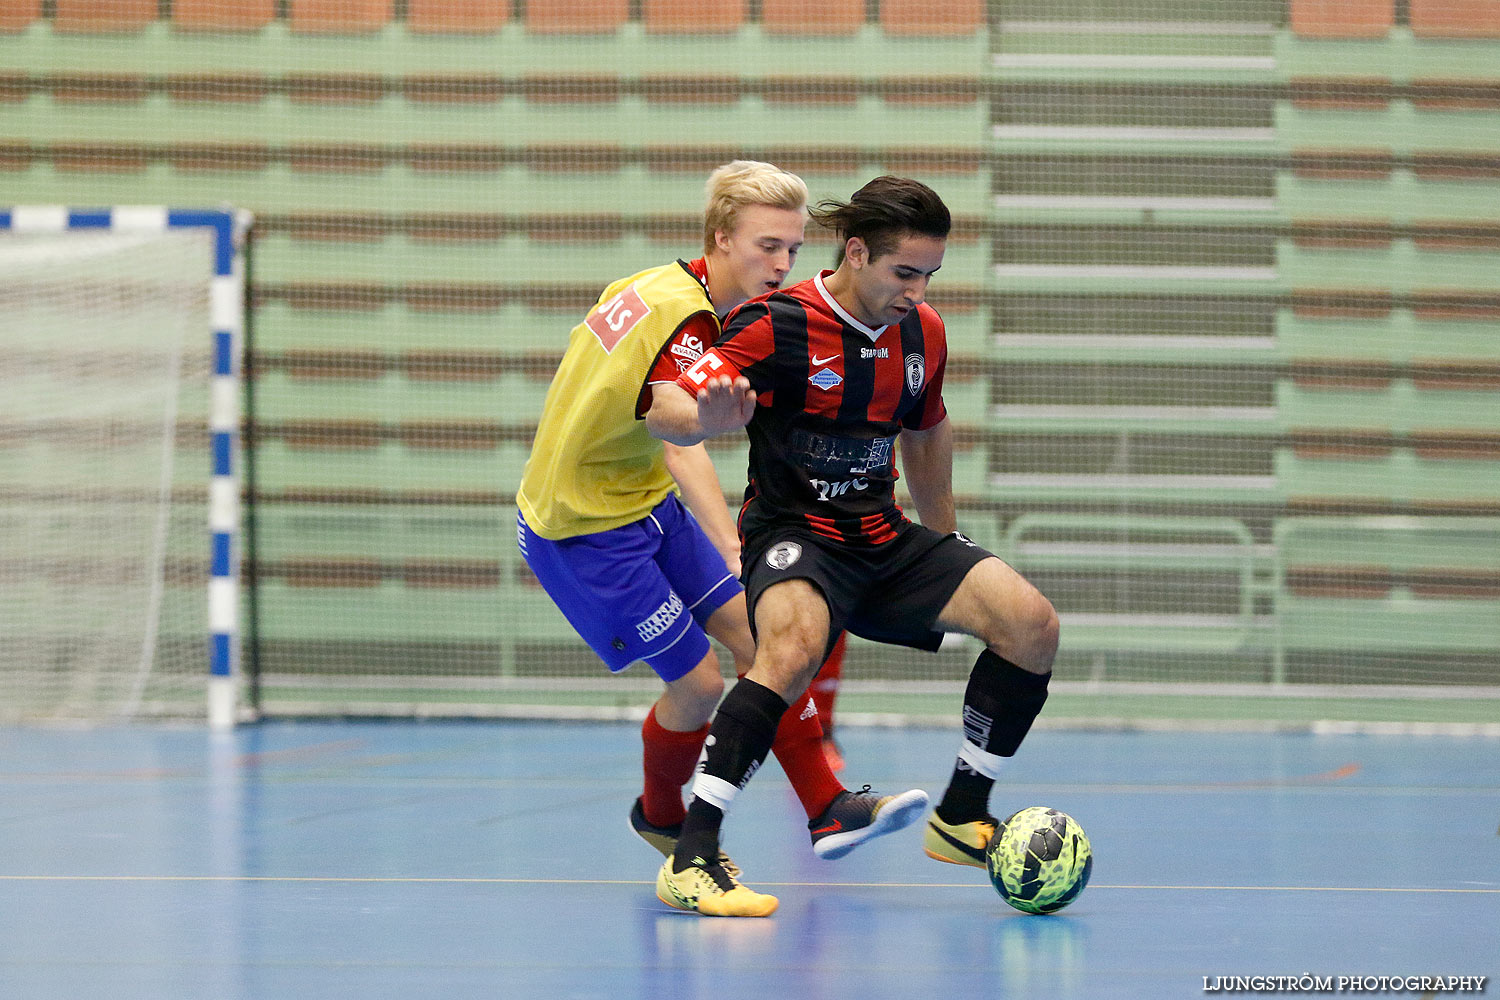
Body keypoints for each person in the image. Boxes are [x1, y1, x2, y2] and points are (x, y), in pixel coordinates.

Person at [647, 176, 1059, 917]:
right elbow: (672, 399)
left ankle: (961, 816)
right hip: (794, 536)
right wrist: (696, 411)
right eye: (905, 272)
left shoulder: (922, 330)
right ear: (858, 252)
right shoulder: (779, 323)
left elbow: (927, 430)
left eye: (931, 274)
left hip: (882, 536)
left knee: (1031, 623)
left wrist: (944, 542)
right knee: (791, 647)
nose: (918, 289)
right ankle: (693, 852)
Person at [515, 162, 927, 890]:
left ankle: (828, 806)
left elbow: (661, 427)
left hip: (641, 501)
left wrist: (718, 519)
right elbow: (672, 422)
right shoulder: (692, 321)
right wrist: (708, 428)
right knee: (702, 686)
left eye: (794, 249)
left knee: (766, 645)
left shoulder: (657, 286)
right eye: (767, 245)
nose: (783, 263)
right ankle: (664, 817)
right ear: (720, 238)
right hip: (581, 530)